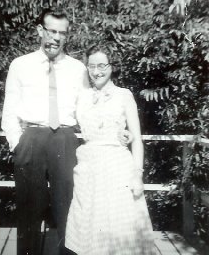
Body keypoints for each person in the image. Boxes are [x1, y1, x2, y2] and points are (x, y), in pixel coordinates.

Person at [1, 9, 88, 255]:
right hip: (31, 140)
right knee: (28, 211)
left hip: (65, 139)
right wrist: (16, 144)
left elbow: (85, 112)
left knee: (69, 209)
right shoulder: (20, 65)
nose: (56, 38)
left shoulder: (78, 68)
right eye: (52, 31)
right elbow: (9, 111)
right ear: (40, 31)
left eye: (62, 33)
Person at [65, 44, 157, 255]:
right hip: (89, 168)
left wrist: (138, 175)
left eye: (102, 66)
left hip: (117, 168)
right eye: (91, 66)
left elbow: (137, 140)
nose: (96, 72)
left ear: (112, 66)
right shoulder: (81, 96)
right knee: (90, 229)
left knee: (119, 228)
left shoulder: (124, 95)